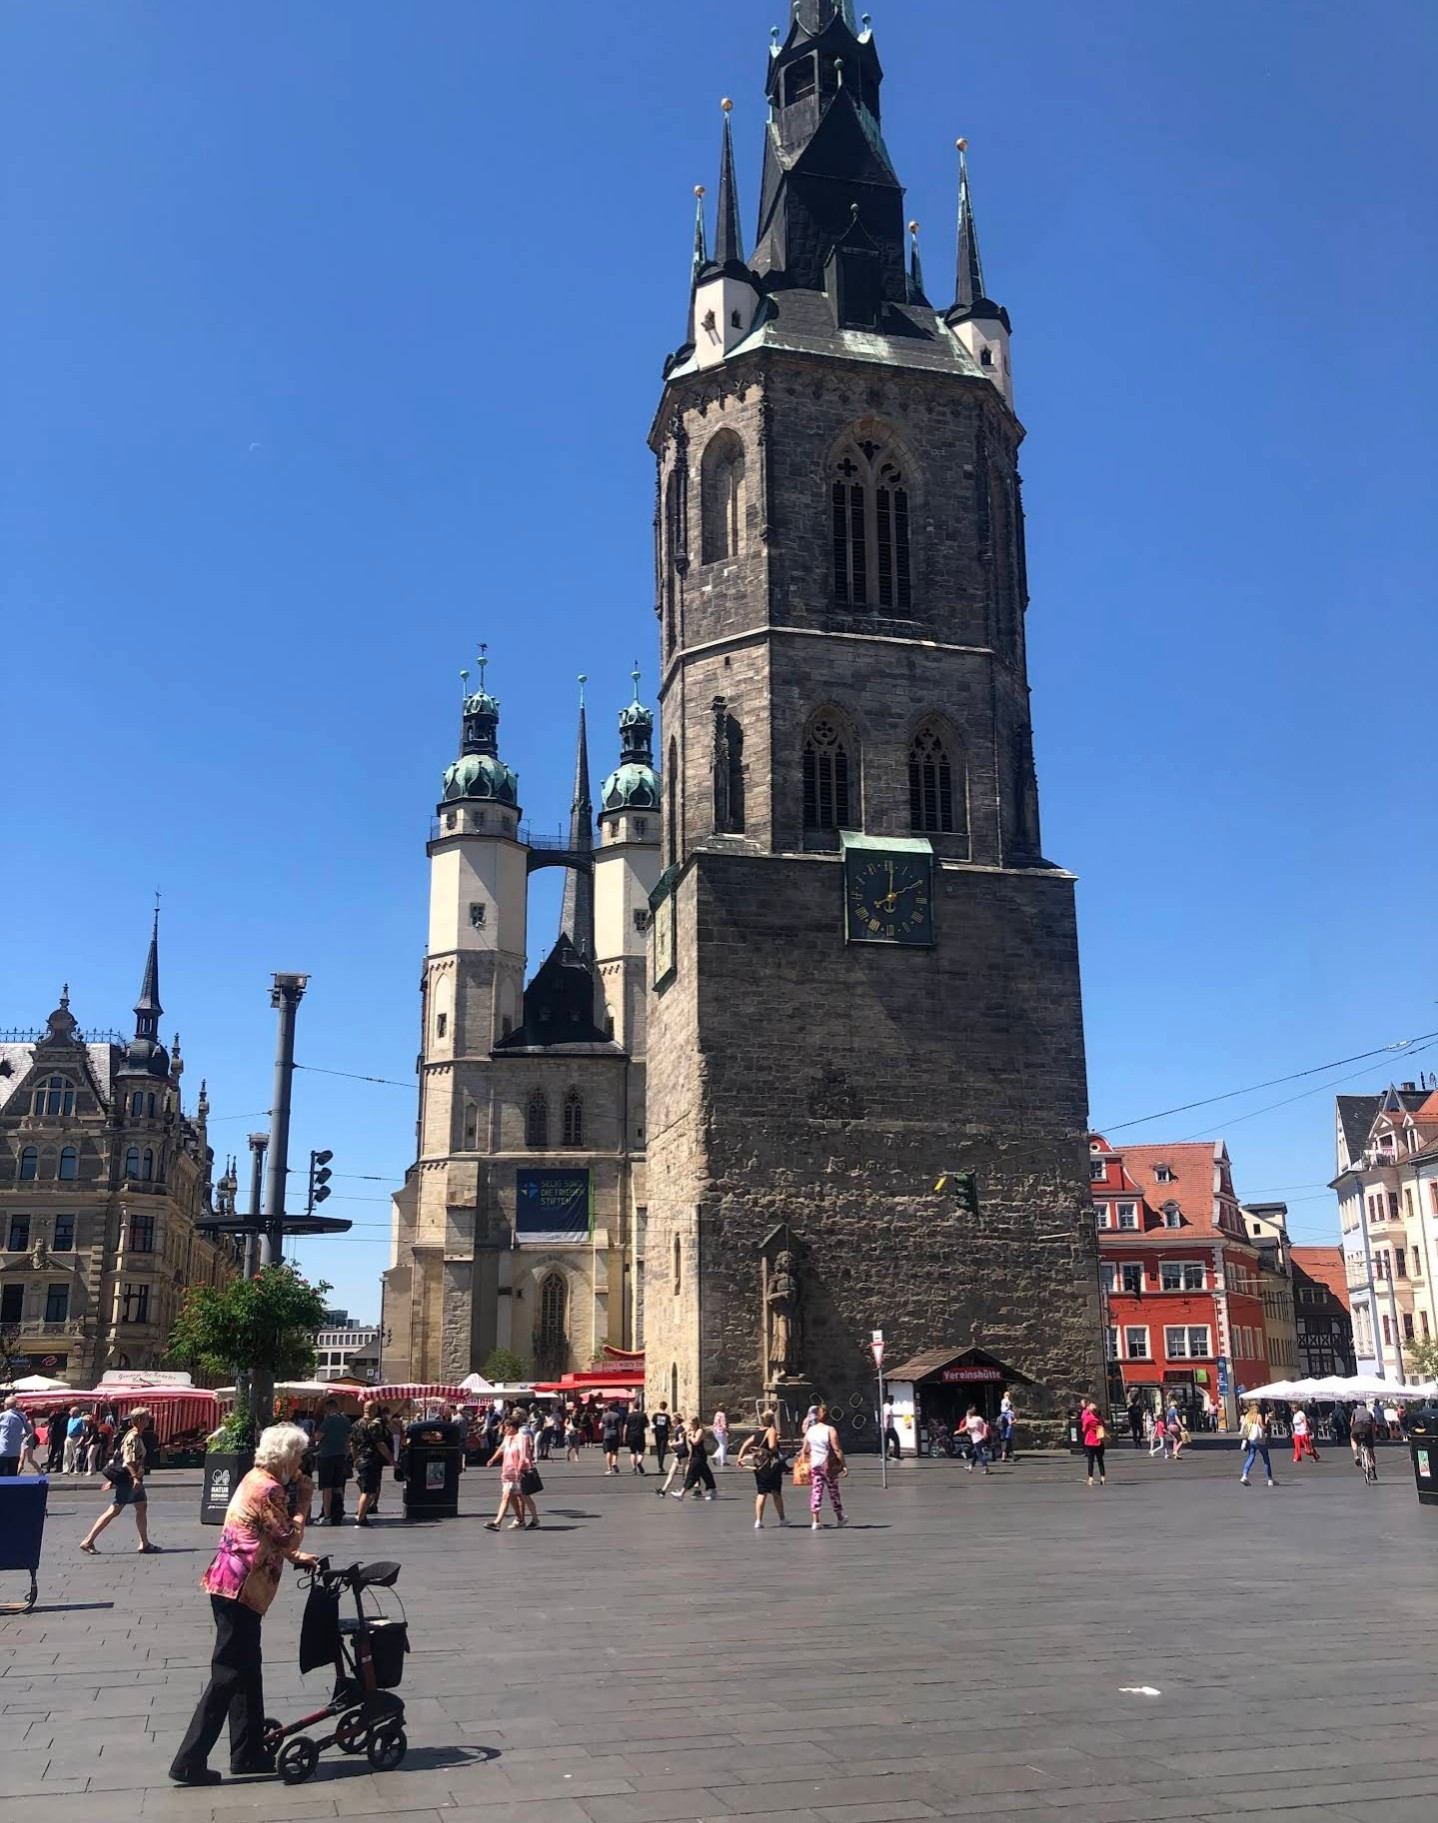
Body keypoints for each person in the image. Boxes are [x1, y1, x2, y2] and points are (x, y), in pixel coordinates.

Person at [168, 1422, 318, 1784]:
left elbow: (256, 1532)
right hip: (240, 1589)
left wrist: (296, 1557)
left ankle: (248, 1752)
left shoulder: (254, 1478)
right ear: (285, 1456)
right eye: (298, 1455)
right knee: (228, 1673)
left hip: (230, 1584)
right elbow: (284, 1535)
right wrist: (306, 1503)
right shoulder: (272, 1489)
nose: (300, 1462)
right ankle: (188, 1761)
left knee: (248, 1669)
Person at [79, 1408, 158, 1553]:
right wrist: (134, 1478)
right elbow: (128, 1461)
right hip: (130, 1480)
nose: (149, 1421)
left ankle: (144, 1543)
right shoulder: (132, 1437)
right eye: (147, 1418)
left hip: (132, 1479)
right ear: (139, 1420)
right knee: (114, 1510)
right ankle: (88, 1540)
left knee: (141, 1506)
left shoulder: (136, 1435)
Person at [737, 1410, 790, 1528]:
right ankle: (782, 1518)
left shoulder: (757, 1434)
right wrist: (777, 1450)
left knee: (762, 1492)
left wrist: (739, 1458)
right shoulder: (771, 1431)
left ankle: (758, 1521)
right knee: (776, 1492)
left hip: (759, 1466)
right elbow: (771, 1446)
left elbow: (746, 1444)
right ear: (772, 1421)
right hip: (771, 1466)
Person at [486, 1416, 537, 1531]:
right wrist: (493, 1459)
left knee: (523, 1496)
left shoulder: (522, 1438)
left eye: (506, 1428)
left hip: (518, 1471)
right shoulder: (508, 1438)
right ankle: (518, 1520)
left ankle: (533, 1520)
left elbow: (523, 1455)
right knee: (510, 1495)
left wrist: (519, 1469)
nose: (504, 1430)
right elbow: (502, 1449)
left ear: (512, 1427)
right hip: (507, 1470)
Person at [349, 1398, 392, 1528]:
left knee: (369, 1490)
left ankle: (362, 1514)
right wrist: (391, 1459)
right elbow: (380, 1444)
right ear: (374, 1410)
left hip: (361, 1459)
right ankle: (360, 1519)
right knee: (368, 1491)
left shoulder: (356, 1424)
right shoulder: (373, 1425)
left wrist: (355, 1458)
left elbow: (353, 1444)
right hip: (371, 1459)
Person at [803, 1405, 847, 1529]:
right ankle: (839, 1517)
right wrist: (844, 1465)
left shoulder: (810, 1430)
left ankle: (815, 1520)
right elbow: (837, 1449)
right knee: (833, 1490)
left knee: (816, 1490)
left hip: (815, 1464)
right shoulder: (830, 1430)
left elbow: (805, 1449)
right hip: (828, 1465)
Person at [313, 1396, 353, 1524]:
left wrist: (313, 1438)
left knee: (327, 1487)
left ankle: (327, 1516)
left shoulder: (329, 1420)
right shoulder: (345, 1420)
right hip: (340, 1456)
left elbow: (319, 1436)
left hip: (326, 1456)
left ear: (328, 1408)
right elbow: (349, 1438)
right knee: (338, 1486)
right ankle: (338, 1511)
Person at [679, 1415, 717, 1500]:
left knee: (691, 1474)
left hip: (700, 1455)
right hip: (695, 1455)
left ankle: (682, 1493)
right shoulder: (693, 1431)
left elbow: (695, 1442)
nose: (691, 1426)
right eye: (690, 1424)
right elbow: (692, 1446)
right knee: (705, 1474)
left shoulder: (700, 1431)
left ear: (696, 1423)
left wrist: (690, 1435)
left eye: (692, 1424)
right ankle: (713, 1491)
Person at [1238, 1404, 1275, 1487]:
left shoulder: (1247, 1416)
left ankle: (1244, 1475)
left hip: (1251, 1439)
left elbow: (1244, 1428)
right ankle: (1270, 1479)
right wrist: (1266, 1421)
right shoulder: (1258, 1416)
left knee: (1251, 1456)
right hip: (1259, 1439)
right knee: (1266, 1458)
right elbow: (1263, 1428)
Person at [657, 1414, 689, 1497]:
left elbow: (681, 1441)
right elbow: (678, 1439)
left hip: (683, 1453)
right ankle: (663, 1490)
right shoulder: (677, 1429)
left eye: (672, 1419)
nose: (671, 1421)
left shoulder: (680, 1429)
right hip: (679, 1453)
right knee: (671, 1472)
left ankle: (696, 1489)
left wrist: (672, 1444)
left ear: (677, 1419)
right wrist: (672, 1443)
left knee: (685, 1473)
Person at [1079, 1398, 1106, 1487]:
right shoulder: (1099, 1419)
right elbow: (1103, 1426)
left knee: (1091, 1460)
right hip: (1099, 1441)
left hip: (1090, 1442)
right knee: (1100, 1460)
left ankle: (1091, 1477)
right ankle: (1103, 1476)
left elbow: (1084, 1429)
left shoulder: (1088, 1418)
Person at [0, 1396, 27, 1476]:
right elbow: (29, 1430)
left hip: (2, 1451)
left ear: (7, 1405)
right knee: (12, 1476)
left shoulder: (2, 1416)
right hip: (15, 1451)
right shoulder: (22, 1416)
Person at [961, 1407, 992, 1475]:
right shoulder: (979, 1419)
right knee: (975, 1453)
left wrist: (958, 1431)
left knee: (979, 1454)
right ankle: (971, 1467)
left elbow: (967, 1429)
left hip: (977, 1439)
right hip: (982, 1438)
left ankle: (986, 1467)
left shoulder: (972, 1420)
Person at [624, 1401, 649, 1474]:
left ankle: (634, 1468)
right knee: (641, 1451)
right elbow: (647, 1424)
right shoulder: (643, 1415)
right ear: (639, 1406)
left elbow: (626, 1427)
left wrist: (624, 1436)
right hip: (640, 1434)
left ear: (633, 1406)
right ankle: (639, 1462)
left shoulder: (629, 1415)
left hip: (631, 1435)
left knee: (632, 1452)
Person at [600, 1402, 624, 1475]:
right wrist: (621, 1436)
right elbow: (620, 1426)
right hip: (615, 1434)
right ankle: (614, 1462)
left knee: (608, 1451)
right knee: (615, 1451)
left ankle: (609, 1468)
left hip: (607, 1434)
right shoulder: (617, 1415)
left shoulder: (604, 1416)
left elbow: (601, 1426)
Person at [63, 1405, 86, 1474]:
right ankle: (66, 1469)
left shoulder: (80, 1419)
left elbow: (83, 1430)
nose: (70, 1412)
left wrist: (81, 1439)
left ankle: (76, 1469)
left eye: (71, 1411)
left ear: (75, 1412)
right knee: (66, 1454)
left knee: (75, 1454)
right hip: (68, 1437)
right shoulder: (70, 1419)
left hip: (76, 1438)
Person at [652, 1401, 672, 1473]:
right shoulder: (667, 1416)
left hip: (657, 1433)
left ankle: (659, 1463)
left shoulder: (655, 1415)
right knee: (662, 1450)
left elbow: (653, 1423)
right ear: (665, 1407)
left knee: (658, 1448)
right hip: (664, 1434)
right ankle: (661, 1464)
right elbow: (670, 1426)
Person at [881, 1397, 902, 1462]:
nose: (893, 1402)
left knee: (885, 1442)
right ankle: (896, 1455)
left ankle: (883, 1456)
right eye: (893, 1401)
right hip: (889, 1427)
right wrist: (887, 1426)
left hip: (883, 1426)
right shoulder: (888, 1407)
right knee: (896, 1440)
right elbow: (888, 1417)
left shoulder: (883, 1406)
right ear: (890, 1401)